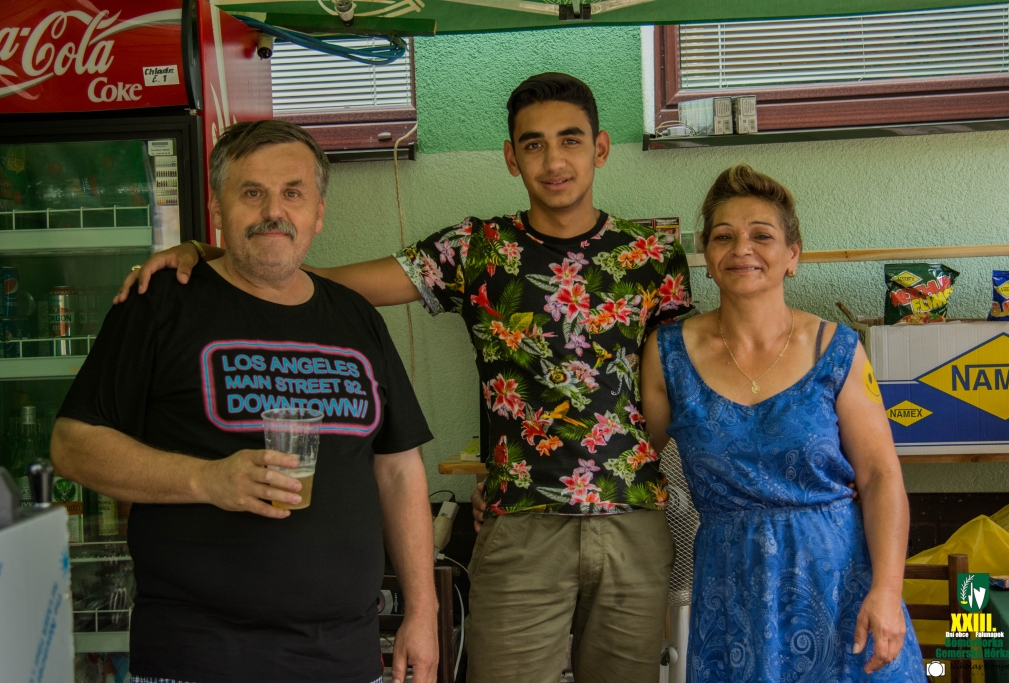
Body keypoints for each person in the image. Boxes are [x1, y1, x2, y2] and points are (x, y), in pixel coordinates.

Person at [115, 73, 694, 683]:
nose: (553, 161)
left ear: (599, 148)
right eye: (533, 144)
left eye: (570, 140)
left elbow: (673, 382)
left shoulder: (653, 255)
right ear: (510, 157)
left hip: (634, 518)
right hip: (521, 522)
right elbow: (330, 283)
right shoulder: (477, 248)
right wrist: (220, 257)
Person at [51, 120, 438, 683]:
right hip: (197, 659)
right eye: (251, 192)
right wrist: (206, 480)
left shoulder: (355, 316)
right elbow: (72, 445)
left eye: (293, 193)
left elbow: (399, 468)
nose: (273, 211)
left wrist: (423, 612)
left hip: (346, 659)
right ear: (217, 206)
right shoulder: (161, 303)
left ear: (318, 212)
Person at [639, 164, 926, 681]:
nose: (741, 249)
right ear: (706, 255)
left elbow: (881, 477)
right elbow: (631, 464)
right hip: (732, 593)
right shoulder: (667, 355)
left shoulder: (837, 349)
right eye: (723, 236)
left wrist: (887, 590)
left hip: (841, 585)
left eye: (762, 236)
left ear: (793, 255)